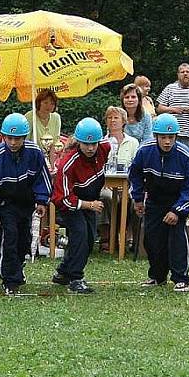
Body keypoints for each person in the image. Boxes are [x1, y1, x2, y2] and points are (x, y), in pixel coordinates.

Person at [0, 113, 51, 296]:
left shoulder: (35, 153)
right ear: (3, 136)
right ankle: (9, 279)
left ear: (25, 137)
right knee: (9, 238)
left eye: (17, 138)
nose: (13, 142)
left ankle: (18, 269)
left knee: (23, 241)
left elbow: (42, 179)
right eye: (9, 138)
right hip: (5, 204)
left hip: (26, 204)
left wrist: (41, 200)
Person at [129, 113, 189, 292]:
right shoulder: (144, 151)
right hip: (154, 201)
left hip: (177, 201)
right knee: (152, 240)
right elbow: (134, 174)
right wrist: (137, 199)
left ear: (176, 137)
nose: (167, 141)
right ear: (156, 136)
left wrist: (177, 210)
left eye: (171, 137)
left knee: (177, 240)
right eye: (163, 137)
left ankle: (182, 278)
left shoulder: (185, 155)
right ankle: (157, 276)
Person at [51, 118, 111, 293]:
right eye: (86, 144)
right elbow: (61, 197)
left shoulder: (105, 148)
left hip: (90, 200)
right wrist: (88, 204)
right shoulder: (68, 163)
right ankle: (76, 278)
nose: (91, 148)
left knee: (90, 238)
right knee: (80, 236)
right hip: (70, 204)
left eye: (94, 143)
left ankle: (63, 272)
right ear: (78, 141)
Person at [98, 106, 139, 251]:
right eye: (109, 118)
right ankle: (108, 238)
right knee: (106, 196)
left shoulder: (133, 142)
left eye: (116, 117)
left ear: (124, 121)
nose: (112, 120)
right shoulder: (100, 143)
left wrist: (128, 185)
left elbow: (137, 168)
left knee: (134, 199)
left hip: (128, 185)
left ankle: (132, 239)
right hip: (106, 185)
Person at [156, 63, 189, 163]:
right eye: (182, 72)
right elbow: (159, 108)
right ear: (178, 74)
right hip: (171, 134)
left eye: (188, 72)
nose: (185, 74)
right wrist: (173, 109)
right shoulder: (170, 88)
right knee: (169, 162)